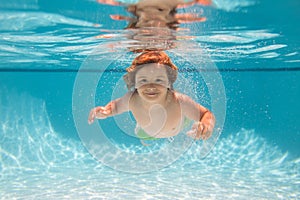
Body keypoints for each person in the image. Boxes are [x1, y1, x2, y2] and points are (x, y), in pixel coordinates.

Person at [88, 51, 215, 141]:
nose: (151, 87)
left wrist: (206, 125)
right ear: (134, 82)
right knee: (142, 135)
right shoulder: (131, 99)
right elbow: (115, 107)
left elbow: (206, 114)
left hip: (178, 127)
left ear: (169, 82)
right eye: (143, 81)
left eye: (159, 80)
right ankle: (145, 139)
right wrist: (105, 111)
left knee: (188, 119)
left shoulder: (179, 101)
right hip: (145, 132)